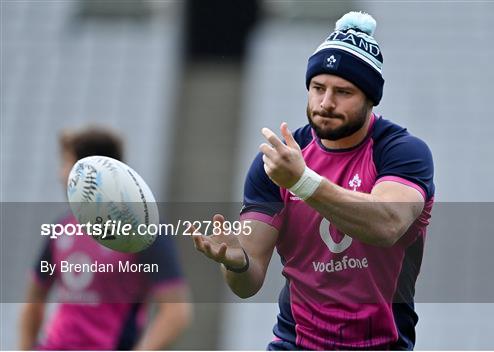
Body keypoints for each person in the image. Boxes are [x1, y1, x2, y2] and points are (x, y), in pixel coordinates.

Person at [191, 11, 434, 350]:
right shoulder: (276, 162)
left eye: (343, 92)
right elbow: (247, 283)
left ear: (370, 97)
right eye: (318, 88)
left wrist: (303, 182)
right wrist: (237, 262)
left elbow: (388, 223)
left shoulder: (402, 152)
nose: (326, 102)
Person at [20, 126, 192, 350]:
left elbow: (176, 312)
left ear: (88, 174)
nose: (60, 175)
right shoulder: (61, 229)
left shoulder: (146, 232)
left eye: (66, 164)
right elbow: (34, 300)